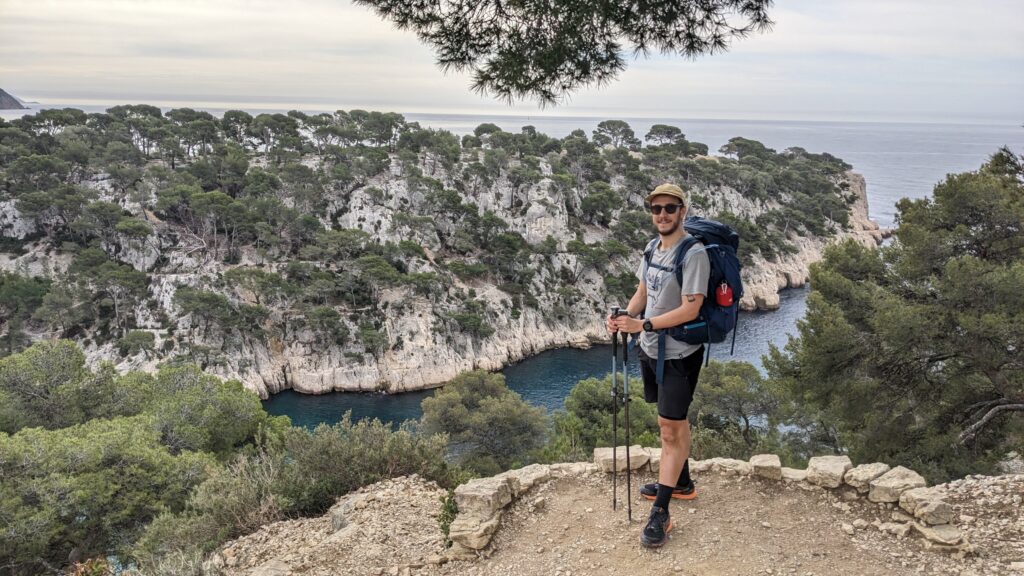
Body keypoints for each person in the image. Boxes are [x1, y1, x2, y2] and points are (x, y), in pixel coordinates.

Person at [607, 182, 709, 549]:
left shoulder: (693, 253)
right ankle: (681, 482)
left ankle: (661, 513)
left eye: (670, 208)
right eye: (656, 209)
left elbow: (691, 308)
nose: (662, 215)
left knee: (669, 429)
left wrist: (644, 325)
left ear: (683, 210)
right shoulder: (652, 247)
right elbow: (643, 293)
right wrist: (624, 316)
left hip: (679, 354)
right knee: (671, 423)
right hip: (650, 350)